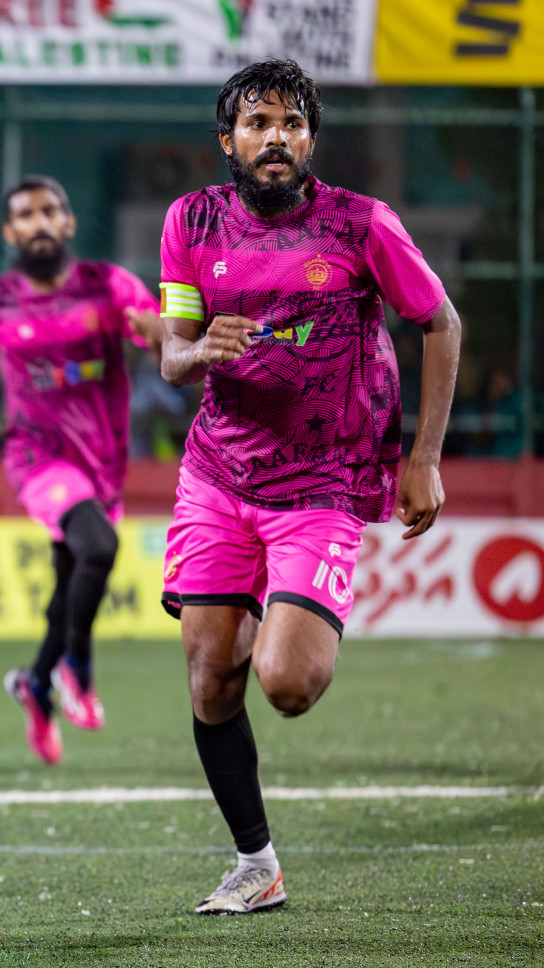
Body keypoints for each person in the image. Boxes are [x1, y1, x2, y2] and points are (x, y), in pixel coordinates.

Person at [157, 59, 460, 915]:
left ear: (311, 139)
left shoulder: (362, 226)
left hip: (322, 479)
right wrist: (197, 352)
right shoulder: (192, 221)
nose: (275, 137)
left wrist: (424, 458)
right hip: (218, 471)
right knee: (211, 679)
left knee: (287, 686)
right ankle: (257, 865)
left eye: (291, 123)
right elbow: (173, 355)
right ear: (228, 141)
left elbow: (441, 321)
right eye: (257, 124)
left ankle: (281, 619)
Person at [0, 174, 162, 766]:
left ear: (68, 222)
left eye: (48, 211)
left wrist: (159, 338)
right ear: (10, 232)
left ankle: (34, 683)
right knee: (99, 546)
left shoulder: (109, 285)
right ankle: (77, 675)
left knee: (71, 580)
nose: (38, 223)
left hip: (103, 461)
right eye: (25, 215)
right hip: (36, 457)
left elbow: (164, 339)